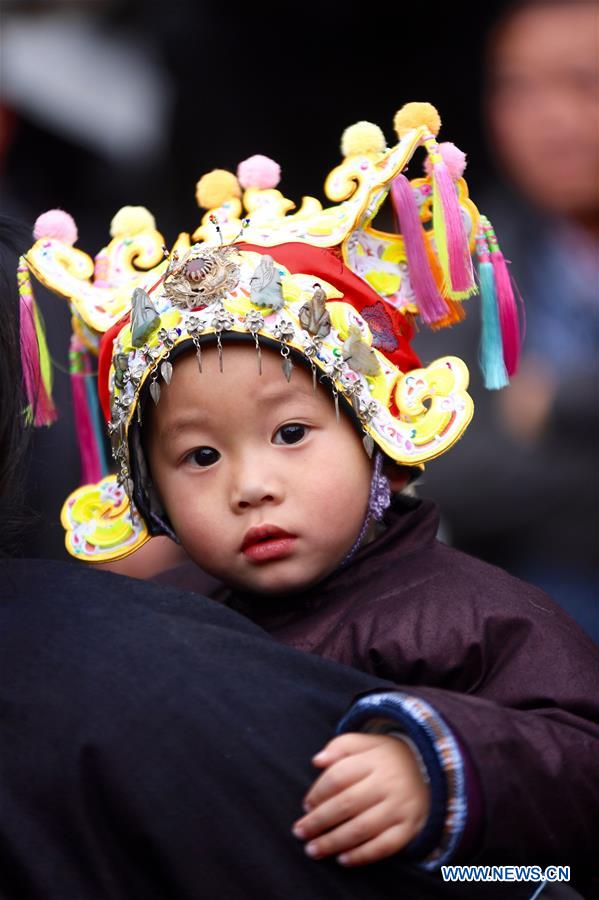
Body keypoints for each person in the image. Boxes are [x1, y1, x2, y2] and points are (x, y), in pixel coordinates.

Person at [27, 103, 599, 894]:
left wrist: (440, 764)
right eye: (199, 456)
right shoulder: (161, 620)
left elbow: (583, 762)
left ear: (378, 434)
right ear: (148, 495)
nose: (250, 485)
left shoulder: (477, 615)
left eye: (291, 434)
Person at [412, 0, 599, 640]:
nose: (548, 118)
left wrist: (558, 404)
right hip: (531, 593)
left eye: (582, 82)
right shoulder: (464, 248)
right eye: (517, 88)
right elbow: (444, 467)